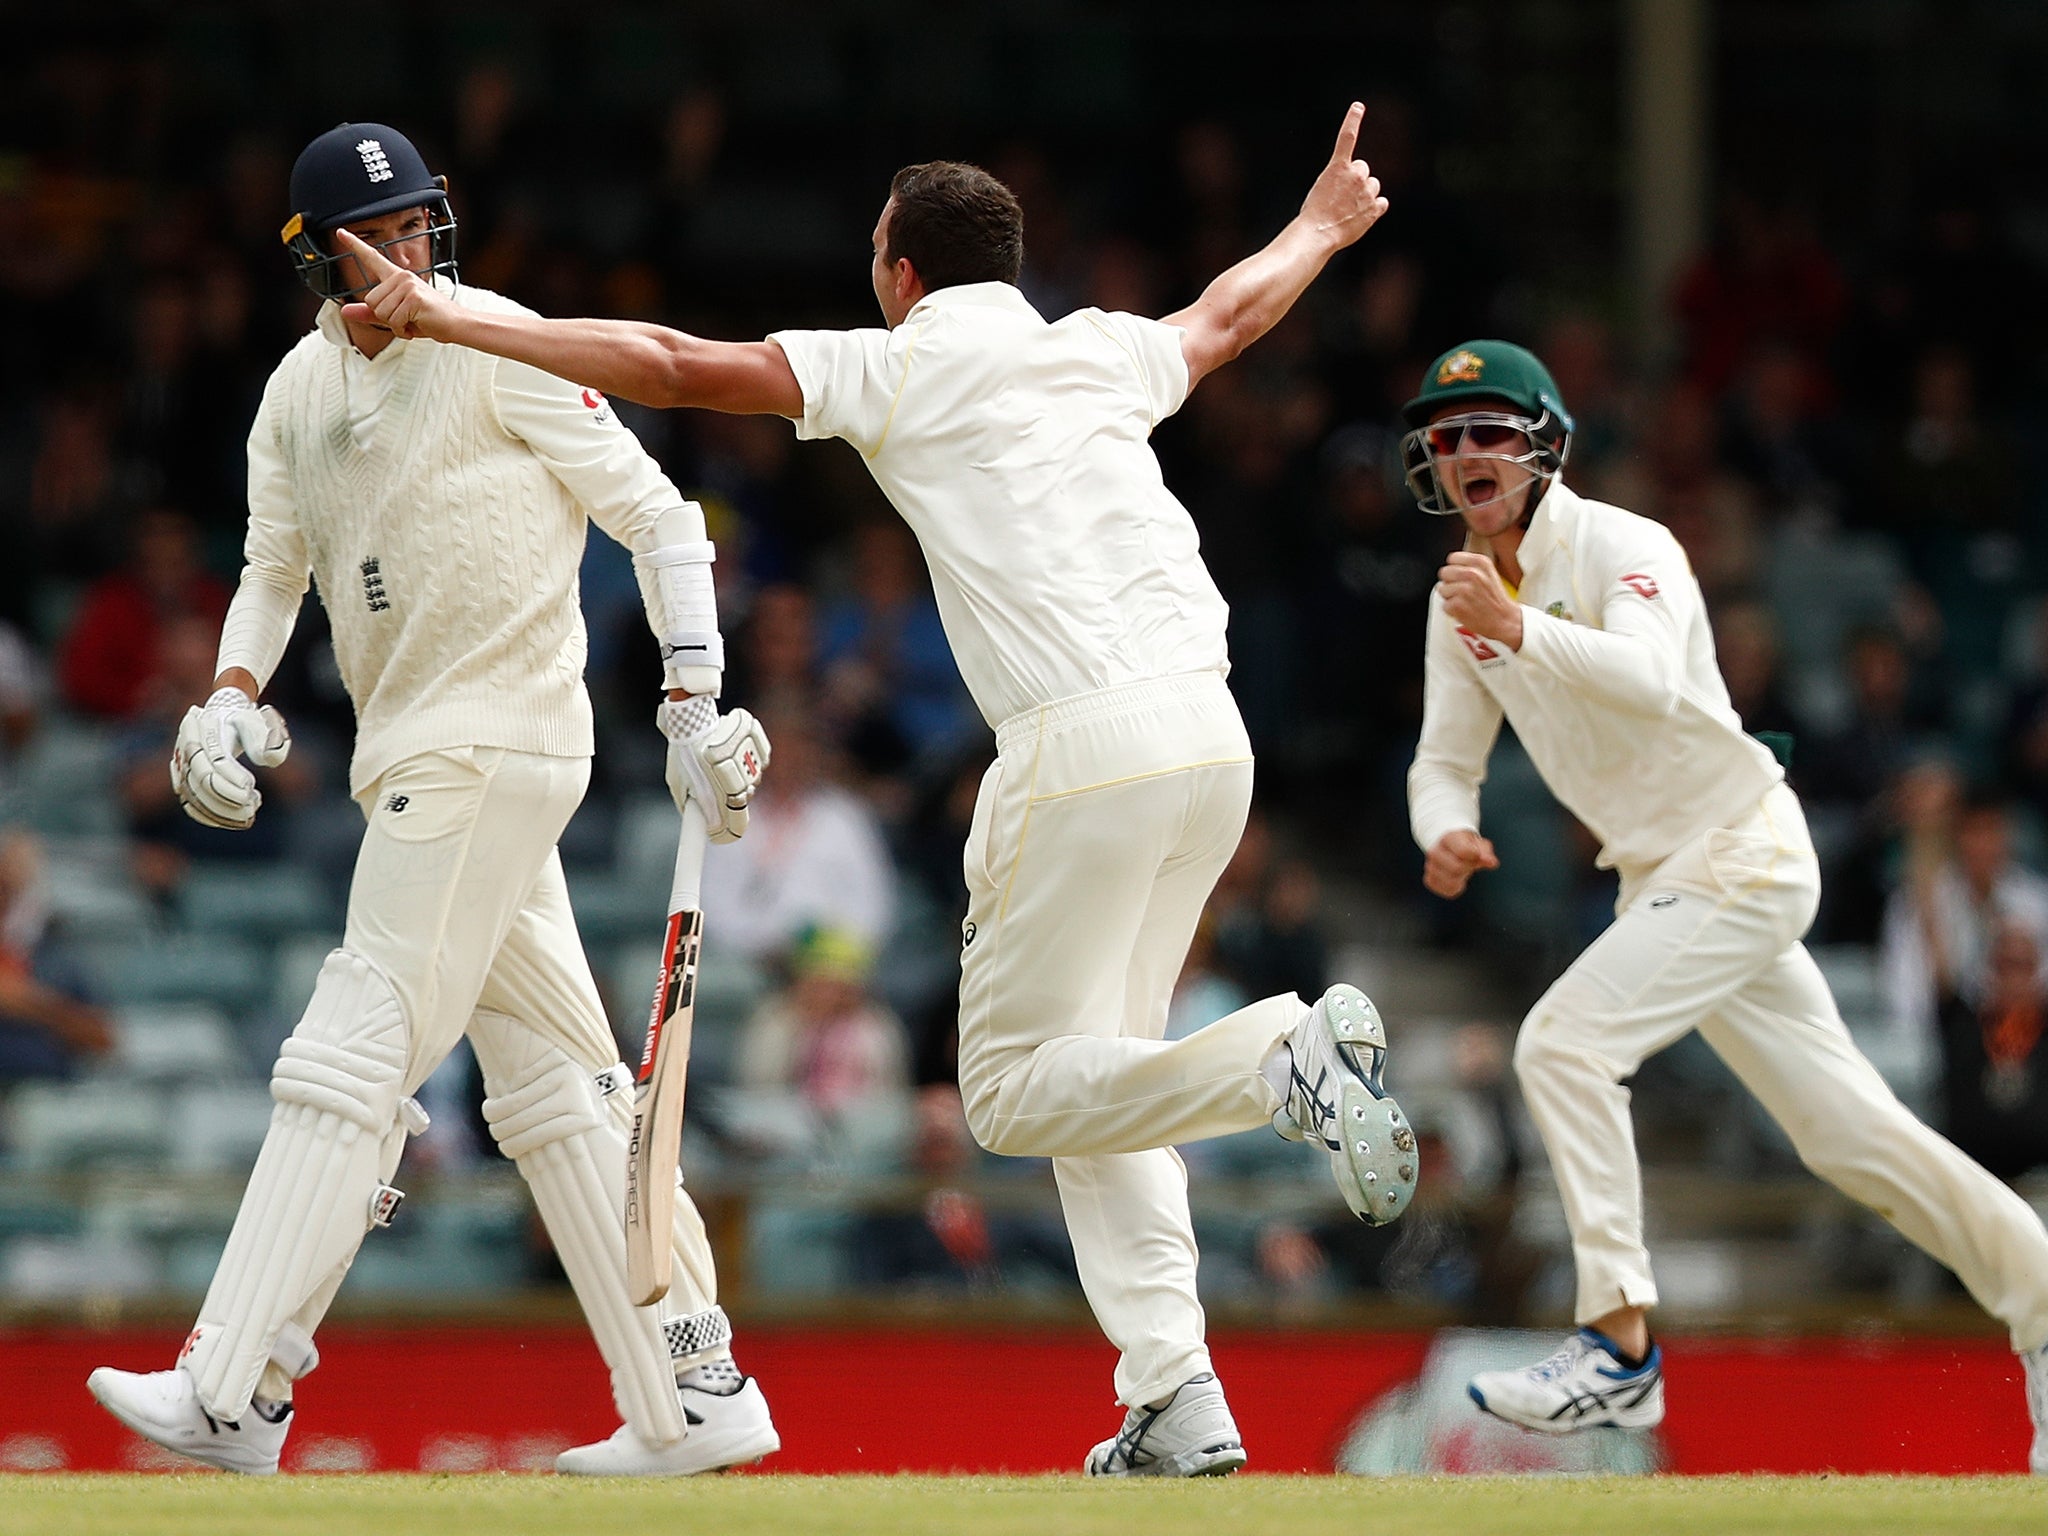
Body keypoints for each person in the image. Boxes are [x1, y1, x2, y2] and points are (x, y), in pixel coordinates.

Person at [344, 102, 1418, 1476]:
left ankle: (1284, 1060)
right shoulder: (1094, 349)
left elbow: (671, 362)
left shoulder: (900, 366)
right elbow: (1231, 315)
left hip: (1080, 747)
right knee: (1109, 1079)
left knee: (1018, 1097)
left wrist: (446, 318)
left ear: (900, 270)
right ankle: (1177, 1395)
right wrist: (1322, 225)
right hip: (1213, 743)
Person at [86, 122, 778, 1478]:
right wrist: (228, 695)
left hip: (498, 743)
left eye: (420, 226)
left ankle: (237, 1386)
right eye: (382, 235)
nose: (412, 253)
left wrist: (690, 698)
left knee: (356, 1043)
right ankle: (693, 1391)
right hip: (416, 755)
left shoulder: (498, 339)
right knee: (560, 1095)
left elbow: (661, 518)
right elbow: (273, 568)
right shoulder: (293, 397)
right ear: (321, 260)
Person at [1399, 338, 2048, 1470]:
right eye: (1447, 437)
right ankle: (2043, 1303)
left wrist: (1520, 631)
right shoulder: (1457, 596)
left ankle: (1616, 1345)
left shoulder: (1622, 543)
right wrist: (1441, 827)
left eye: (1489, 431)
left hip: (1738, 851)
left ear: (1543, 446)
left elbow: (1649, 681)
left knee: (1559, 1044)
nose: (1465, 454)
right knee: (1852, 1139)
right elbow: (1442, 757)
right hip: (1664, 880)